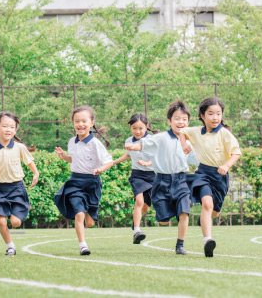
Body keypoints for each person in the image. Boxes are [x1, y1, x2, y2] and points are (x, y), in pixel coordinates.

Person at [125, 100, 198, 255]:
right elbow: (143, 144)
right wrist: (134, 146)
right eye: (177, 118)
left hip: (181, 180)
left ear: (188, 122)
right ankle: (164, 216)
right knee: (163, 221)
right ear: (169, 121)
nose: (181, 122)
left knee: (184, 212)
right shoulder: (161, 138)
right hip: (162, 181)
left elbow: (197, 159)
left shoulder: (191, 140)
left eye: (184, 119)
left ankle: (180, 245)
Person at [179, 97, 241, 257]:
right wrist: (184, 144)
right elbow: (182, 132)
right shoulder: (196, 132)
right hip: (203, 173)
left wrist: (226, 166)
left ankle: (205, 219)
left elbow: (236, 153)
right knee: (207, 204)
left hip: (220, 176)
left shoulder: (224, 134)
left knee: (215, 211)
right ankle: (208, 240)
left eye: (218, 114)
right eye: (211, 114)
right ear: (202, 115)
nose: (215, 117)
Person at [55, 105, 113, 256]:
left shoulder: (95, 144)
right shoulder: (71, 142)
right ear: (73, 124)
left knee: (90, 223)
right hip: (75, 182)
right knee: (79, 214)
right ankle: (83, 245)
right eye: (76, 121)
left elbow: (109, 162)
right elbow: (74, 159)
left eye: (83, 121)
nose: (80, 124)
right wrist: (64, 157)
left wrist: (101, 169)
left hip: (92, 183)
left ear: (91, 123)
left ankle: (87, 210)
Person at [0, 111, 39, 256]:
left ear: (15, 130)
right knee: (1, 221)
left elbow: (29, 161)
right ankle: (10, 246)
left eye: (12, 127)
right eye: (5, 126)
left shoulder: (19, 147)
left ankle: (15, 213)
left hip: (17, 188)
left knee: (16, 222)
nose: (8, 129)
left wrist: (36, 173)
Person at [112, 113, 155, 244]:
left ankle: (136, 220)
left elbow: (159, 158)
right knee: (139, 201)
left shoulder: (152, 140)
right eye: (134, 128)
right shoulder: (128, 141)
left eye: (141, 128)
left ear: (146, 127)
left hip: (153, 176)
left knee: (146, 208)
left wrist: (148, 163)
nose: (137, 131)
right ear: (130, 128)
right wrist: (112, 162)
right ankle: (137, 230)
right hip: (138, 175)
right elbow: (128, 155)